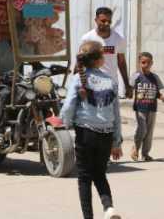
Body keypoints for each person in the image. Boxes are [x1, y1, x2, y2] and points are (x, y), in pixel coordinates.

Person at [60, 41, 123, 219]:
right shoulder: (110, 80)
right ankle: (109, 208)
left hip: (86, 134)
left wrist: (65, 124)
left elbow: (68, 107)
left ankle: (88, 217)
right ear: (97, 60)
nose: (104, 57)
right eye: (102, 54)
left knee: (85, 178)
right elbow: (116, 114)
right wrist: (116, 141)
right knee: (100, 174)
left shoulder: (78, 79)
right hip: (106, 134)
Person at [80, 7, 132, 99]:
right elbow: (80, 62)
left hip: (111, 85)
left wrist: (127, 85)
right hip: (92, 84)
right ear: (96, 20)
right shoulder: (87, 38)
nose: (107, 23)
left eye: (109, 21)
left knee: (111, 112)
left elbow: (121, 62)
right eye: (103, 21)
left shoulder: (119, 39)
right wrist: (80, 85)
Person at [130, 52, 164, 162]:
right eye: (143, 62)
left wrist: (161, 97)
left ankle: (145, 154)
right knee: (142, 129)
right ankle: (135, 148)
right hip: (140, 108)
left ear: (152, 63)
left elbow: (157, 92)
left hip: (152, 108)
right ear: (139, 63)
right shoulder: (136, 76)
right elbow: (129, 88)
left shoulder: (155, 77)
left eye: (148, 63)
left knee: (149, 132)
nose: (145, 65)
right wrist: (129, 93)